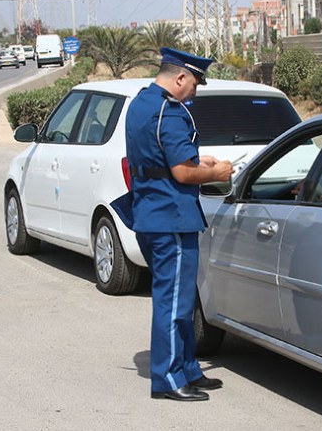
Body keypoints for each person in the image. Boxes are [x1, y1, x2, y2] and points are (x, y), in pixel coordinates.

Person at [121, 47, 233, 402]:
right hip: (171, 218)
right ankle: (168, 378)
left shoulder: (141, 103)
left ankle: (186, 368)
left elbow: (163, 158)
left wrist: (198, 159)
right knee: (174, 302)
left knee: (181, 300)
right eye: (195, 85)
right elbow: (183, 172)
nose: (195, 93)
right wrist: (215, 172)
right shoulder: (169, 113)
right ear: (180, 77)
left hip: (153, 214)